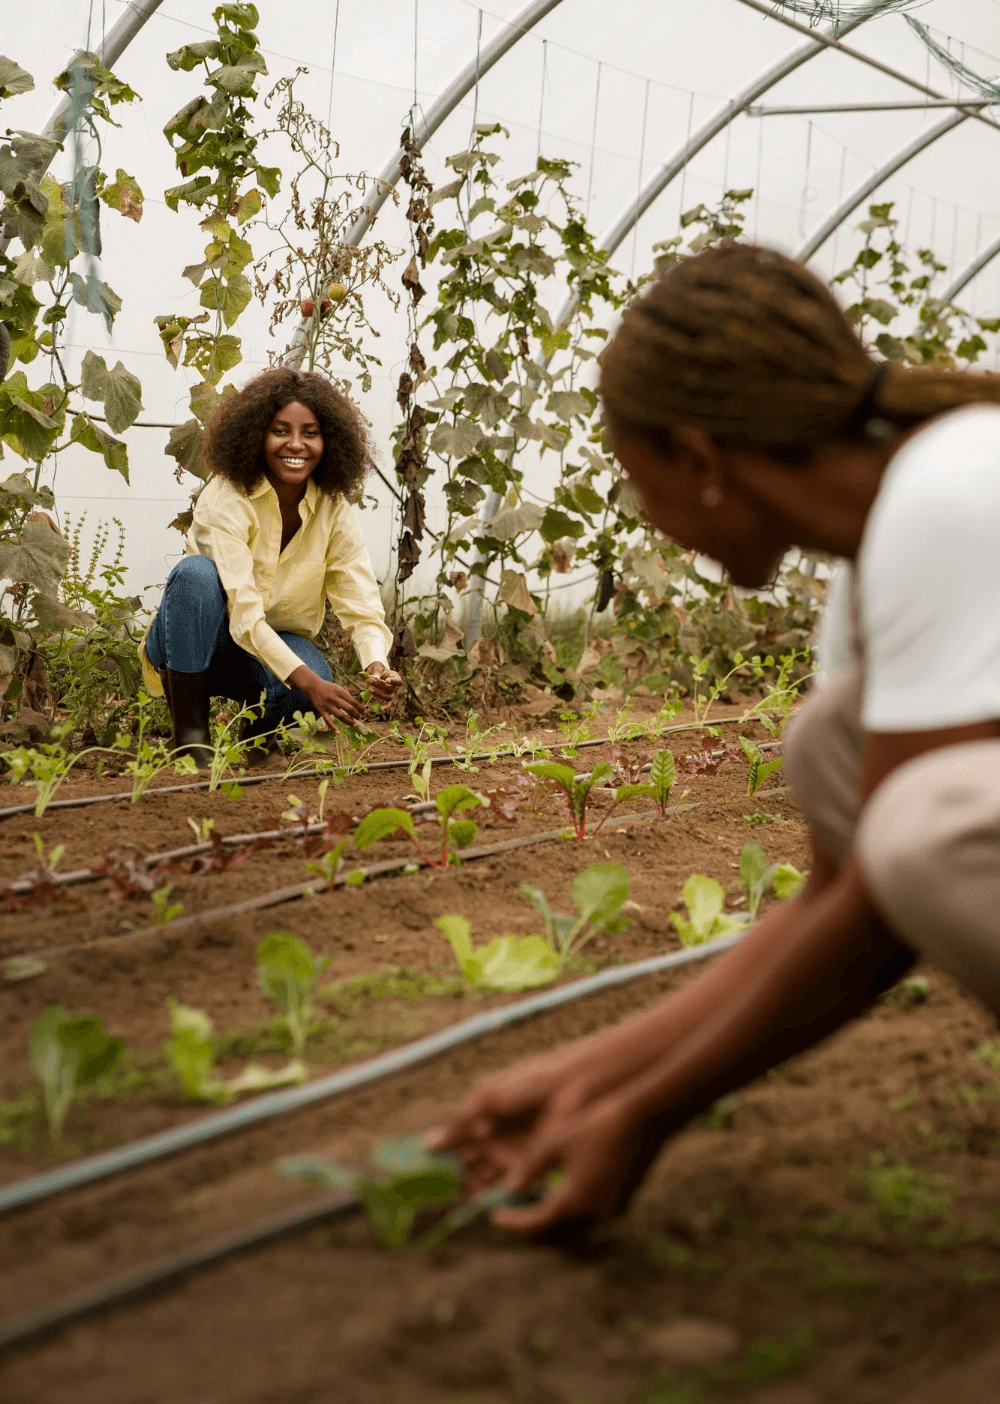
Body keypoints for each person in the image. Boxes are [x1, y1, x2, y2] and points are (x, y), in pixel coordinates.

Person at [431, 241, 1000, 1233]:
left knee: (922, 830)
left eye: (634, 482)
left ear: (696, 462)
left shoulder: (951, 495)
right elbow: (835, 897)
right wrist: (582, 1078)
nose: (644, 518)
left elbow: (872, 914)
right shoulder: (876, 551)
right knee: (837, 740)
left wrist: (643, 1115)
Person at [142, 368, 402, 766]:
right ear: (256, 434)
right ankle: (191, 737)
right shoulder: (228, 495)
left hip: (259, 654)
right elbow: (244, 615)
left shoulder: (333, 510)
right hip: (197, 644)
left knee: (313, 680)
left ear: (329, 440)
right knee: (196, 575)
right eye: (280, 430)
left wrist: (376, 664)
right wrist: (308, 681)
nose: (295, 444)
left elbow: (360, 600)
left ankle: (258, 736)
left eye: (310, 433)